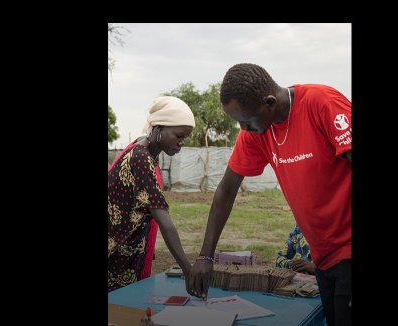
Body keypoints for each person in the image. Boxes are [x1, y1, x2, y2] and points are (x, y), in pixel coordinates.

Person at [187, 63, 351, 325]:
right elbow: (227, 189)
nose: (242, 128)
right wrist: (205, 256)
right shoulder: (257, 131)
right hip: (323, 258)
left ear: (270, 103)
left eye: (246, 120)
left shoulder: (322, 103)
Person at [108, 96, 195, 292]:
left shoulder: (142, 148)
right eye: (179, 135)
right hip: (117, 258)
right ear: (158, 129)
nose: (182, 142)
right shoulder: (141, 158)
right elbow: (165, 222)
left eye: (185, 137)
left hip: (124, 251)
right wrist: (188, 269)